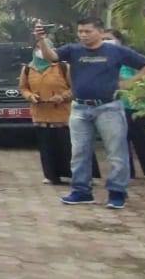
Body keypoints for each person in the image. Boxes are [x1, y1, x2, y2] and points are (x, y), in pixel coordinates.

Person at [36, 18, 145, 209]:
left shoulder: (116, 51)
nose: (83, 35)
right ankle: (81, 191)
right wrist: (41, 39)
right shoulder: (73, 50)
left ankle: (117, 193)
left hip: (109, 107)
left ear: (100, 32)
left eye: (88, 31)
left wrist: (131, 82)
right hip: (80, 108)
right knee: (79, 152)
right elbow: (51, 57)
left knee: (116, 151)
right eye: (81, 31)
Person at [18, 42, 99, 185]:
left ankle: (82, 175)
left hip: (64, 114)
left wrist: (63, 97)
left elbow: (77, 88)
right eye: (37, 48)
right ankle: (51, 175)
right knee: (47, 146)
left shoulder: (63, 67)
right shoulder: (28, 69)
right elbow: (23, 88)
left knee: (70, 146)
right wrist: (30, 96)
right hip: (41, 114)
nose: (40, 51)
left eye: (44, 48)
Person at [106, 29, 145, 183]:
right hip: (114, 106)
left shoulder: (127, 56)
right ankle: (127, 172)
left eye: (109, 38)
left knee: (143, 140)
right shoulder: (102, 57)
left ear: (118, 41)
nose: (106, 41)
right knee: (120, 141)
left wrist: (127, 81)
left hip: (136, 106)